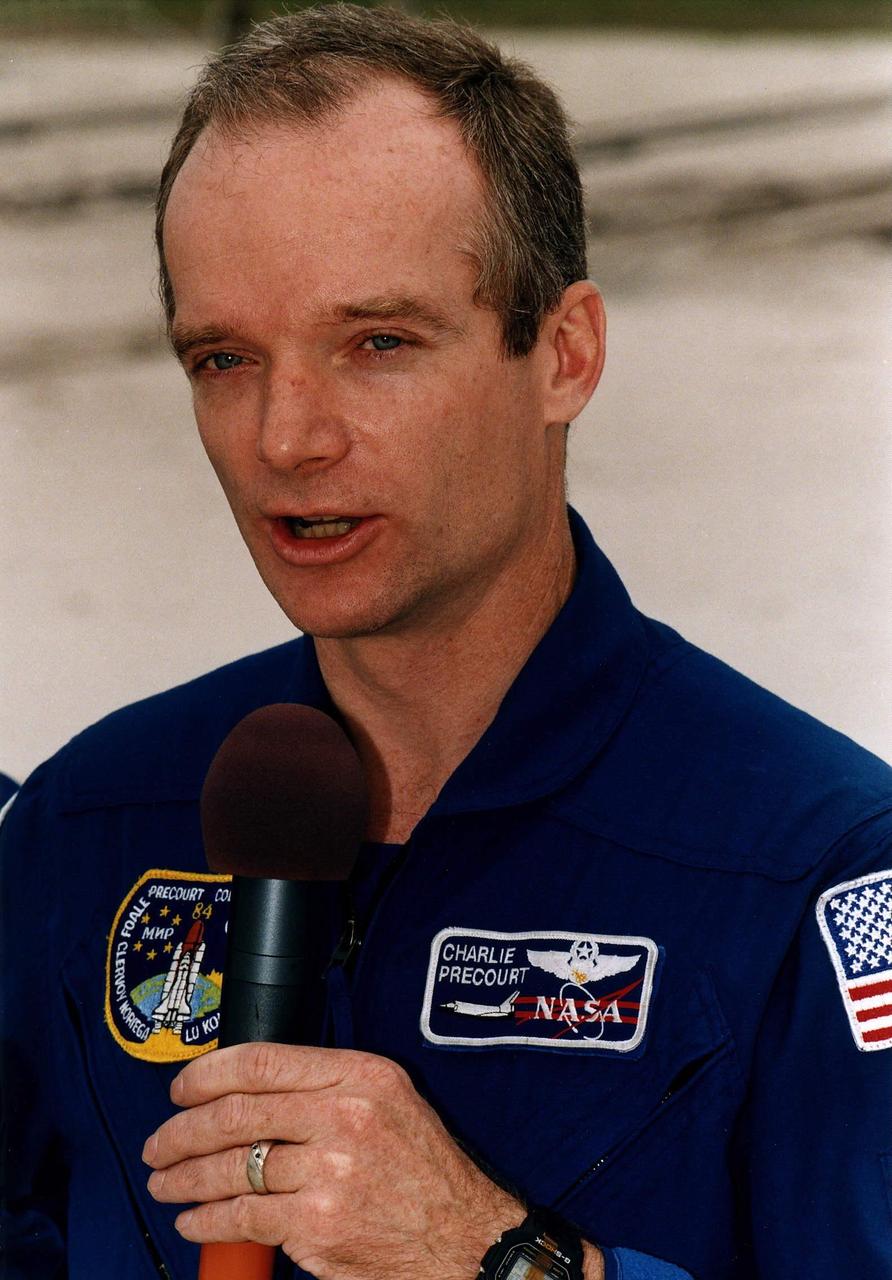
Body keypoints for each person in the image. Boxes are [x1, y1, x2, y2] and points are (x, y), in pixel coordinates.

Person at [2, 6, 890, 1279]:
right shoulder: (86, 825)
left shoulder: (813, 869)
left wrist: (493, 1253)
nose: (285, 436)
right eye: (223, 357)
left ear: (564, 354)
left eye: (378, 343)